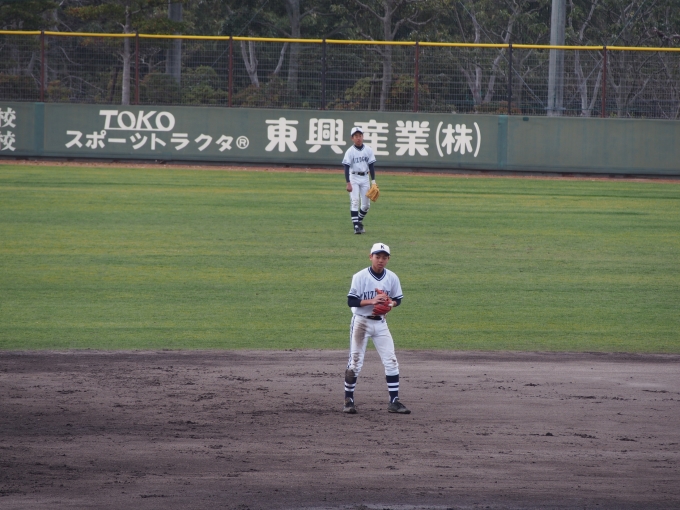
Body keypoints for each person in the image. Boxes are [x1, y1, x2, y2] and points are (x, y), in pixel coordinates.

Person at [343, 242, 410, 414]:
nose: (380, 260)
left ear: (388, 259)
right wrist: (372, 301)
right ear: (370, 257)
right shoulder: (360, 276)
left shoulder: (392, 277)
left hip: (380, 323)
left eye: (384, 257)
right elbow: (351, 301)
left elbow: (398, 299)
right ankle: (348, 400)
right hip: (361, 322)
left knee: (391, 360)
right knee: (355, 362)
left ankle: (394, 401)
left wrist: (391, 304)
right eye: (377, 257)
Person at [342, 126, 376, 235]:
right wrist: (348, 183)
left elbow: (371, 166)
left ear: (362, 137)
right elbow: (346, 167)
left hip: (365, 178)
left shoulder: (368, 150)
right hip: (354, 177)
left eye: (360, 135)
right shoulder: (350, 151)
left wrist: (373, 182)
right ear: (352, 138)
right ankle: (356, 226)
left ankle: (359, 221)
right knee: (355, 201)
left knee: (366, 205)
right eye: (356, 136)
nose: (358, 138)